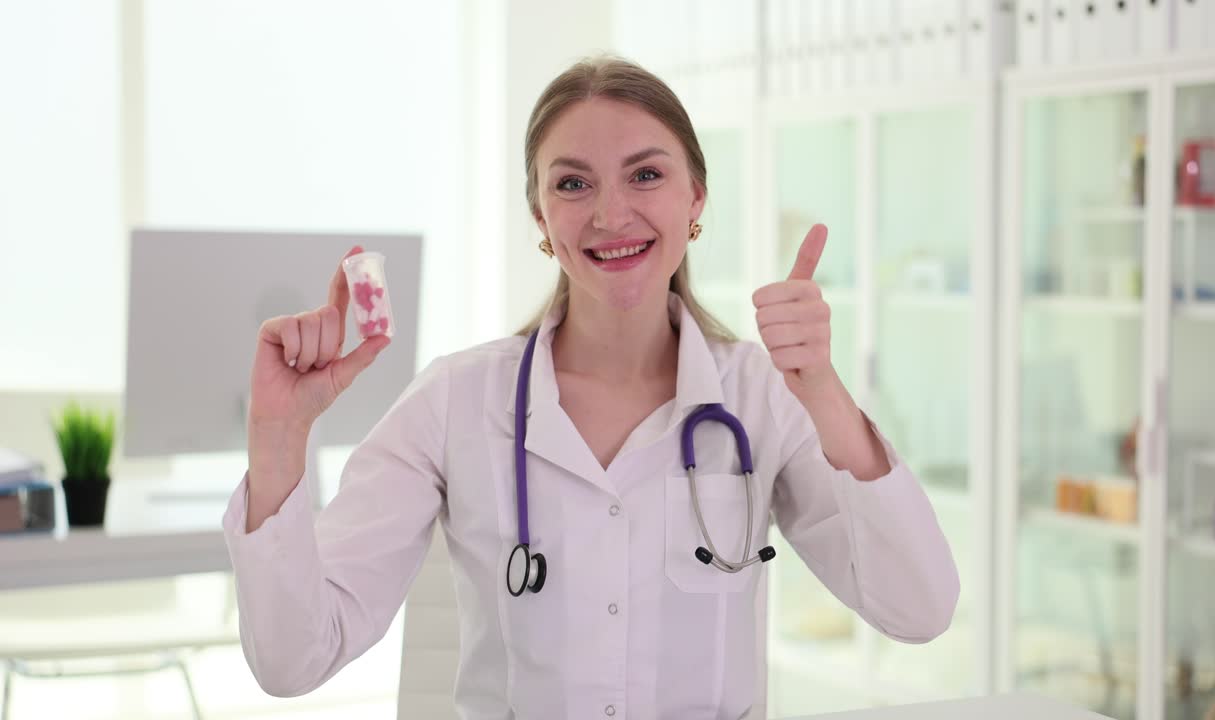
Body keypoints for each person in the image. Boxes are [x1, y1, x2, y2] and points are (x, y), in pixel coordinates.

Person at [223, 55, 959, 719]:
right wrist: (279, 440)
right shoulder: (454, 403)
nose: (611, 214)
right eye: (573, 183)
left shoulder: (764, 397)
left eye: (646, 174)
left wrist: (823, 392)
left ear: (696, 197)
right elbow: (296, 662)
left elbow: (920, 610)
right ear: (542, 217)